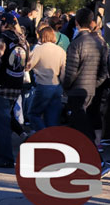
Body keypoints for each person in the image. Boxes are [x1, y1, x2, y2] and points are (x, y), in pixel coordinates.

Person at [0, 13, 29, 168]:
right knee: (1, 122)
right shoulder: (23, 41)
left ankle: (5, 157)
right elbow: (26, 64)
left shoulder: (1, 40)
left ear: (3, 24)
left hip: (0, 86)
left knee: (1, 125)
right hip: (15, 86)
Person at [63, 8, 108, 142]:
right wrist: (95, 84)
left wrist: (66, 86)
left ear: (76, 22)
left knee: (80, 125)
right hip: (91, 89)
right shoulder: (100, 42)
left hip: (77, 90)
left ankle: (92, 155)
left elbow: (71, 71)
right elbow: (104, 70)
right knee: (85, 122)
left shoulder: (76, 43)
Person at [26, 26, 66, 132]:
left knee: (33, 113)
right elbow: (64, 72)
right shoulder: (61, 50)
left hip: (43, 84)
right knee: (52, 117)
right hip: (56, 85)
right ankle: (52, 138)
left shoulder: (39, 49)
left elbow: (28, 65)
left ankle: (43, 133)